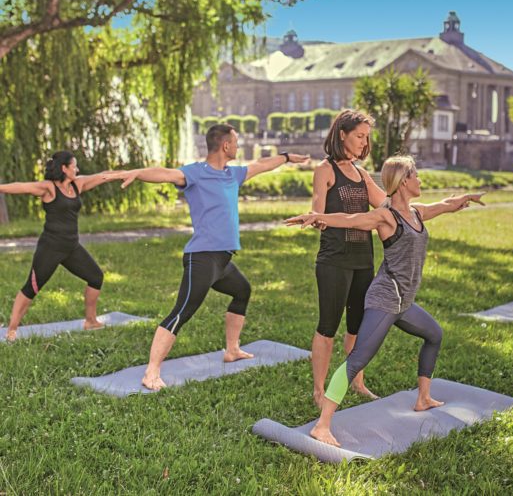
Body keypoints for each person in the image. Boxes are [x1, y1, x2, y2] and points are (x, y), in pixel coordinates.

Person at [285, 155, 485, 446]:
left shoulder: (415, 213)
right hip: (385, 299)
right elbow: (351, 219)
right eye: (415, 175)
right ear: (404, 181)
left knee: (434, 334)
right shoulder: (387, 216)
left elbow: (443, 206)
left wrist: (464, 198)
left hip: (403, 301)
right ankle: (322, 425)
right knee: (356, 361)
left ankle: (424, 398)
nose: (420, 180)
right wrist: (318, 217)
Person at [112, 123, 308, 391]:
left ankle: (232, 349)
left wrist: (286, 158)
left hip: (222, 261)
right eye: (236, 142)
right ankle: (151, 372)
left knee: (242, 291)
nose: (238, 147)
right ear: (225, 146)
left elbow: (262, 164)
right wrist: (137, 173)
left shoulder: (233, 174)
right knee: (181, 312)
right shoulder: (195, 173)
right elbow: (166, 174)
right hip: (202, 258)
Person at [0, 151, 120, 341]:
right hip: (50, 248)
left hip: (72, 247)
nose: (77, 169)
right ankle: (12, 330)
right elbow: (22, 186)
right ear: (64, 168)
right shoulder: (49, 188)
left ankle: (90, 321)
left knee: (96, 277)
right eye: (74, 166)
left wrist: (125, 174)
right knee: (31, 288)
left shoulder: (77, 184)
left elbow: (101, 176)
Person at [311, 109, 386, 407]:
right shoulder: (326, 169)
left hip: (362, 261)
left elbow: (387, 205)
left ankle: (357, 381)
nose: (363, 142)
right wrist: (318, 218)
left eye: (366, 137)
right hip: (334, 260)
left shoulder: (361, 174)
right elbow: (318, 208)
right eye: (359, 136)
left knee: (357, 326)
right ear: (342, 134)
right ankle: (319, 391)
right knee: (328, 326)